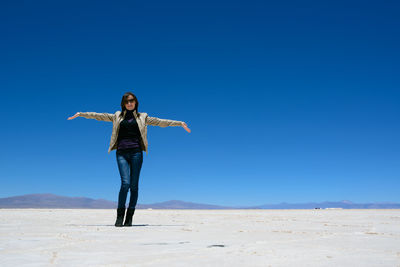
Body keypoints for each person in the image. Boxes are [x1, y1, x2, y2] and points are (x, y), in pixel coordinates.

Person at [67, 92, 191, 227]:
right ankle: (120, 216)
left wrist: (179, 123)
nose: (129, 103)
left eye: (131, 101)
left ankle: (129, 217)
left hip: (137, 153)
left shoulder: (143, 117)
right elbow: (99, 116)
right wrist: (81, 114)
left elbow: (160, 122)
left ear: (136, 102)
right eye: (126, 102)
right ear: (123, 104)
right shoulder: (117, 116)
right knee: (125, 184)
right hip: (121, 153)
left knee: (134, 186)